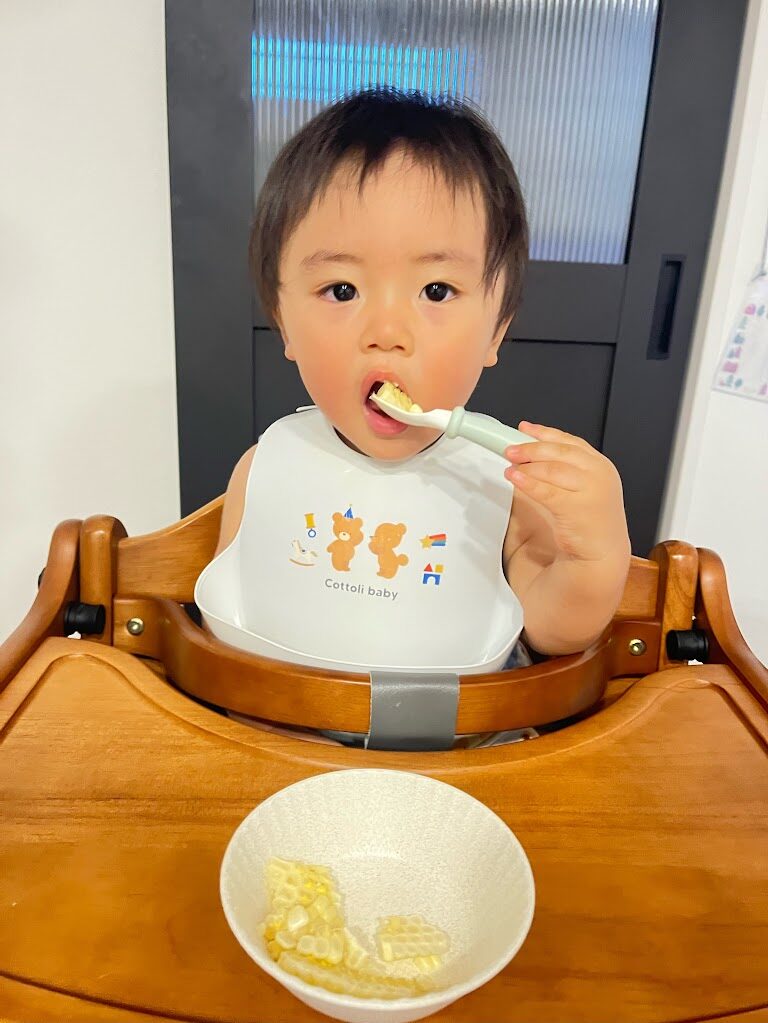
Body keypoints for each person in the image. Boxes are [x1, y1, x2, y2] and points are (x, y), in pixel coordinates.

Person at [196, 86, 631, 748]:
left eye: (436, 290)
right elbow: (236, 616)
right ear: (283, 320)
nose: (388, 332)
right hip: (281, 755)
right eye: (342, 289)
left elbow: (555, 629)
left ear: (496, 329)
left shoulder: (498, 484)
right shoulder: (267, 467)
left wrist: (595, 550)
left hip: (458, 763)